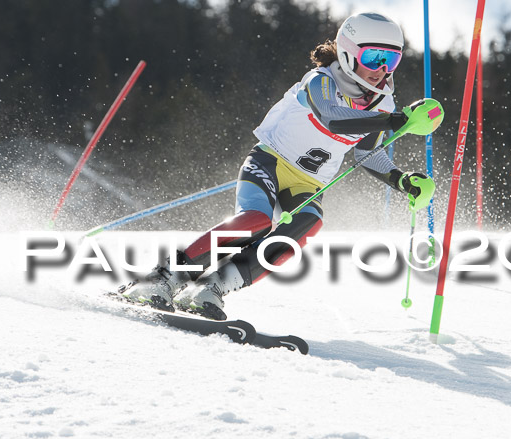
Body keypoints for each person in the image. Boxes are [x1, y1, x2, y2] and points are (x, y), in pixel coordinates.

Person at [119, 12, 439, 320]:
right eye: (373, 58)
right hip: (270, 162)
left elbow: (366, 154)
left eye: (392, 60)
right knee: (256, 220)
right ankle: (162, 278)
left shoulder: (383, 102)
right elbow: (332, 118)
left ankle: (210, 288)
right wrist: (397, 121)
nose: (382, 69)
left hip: (309, 185)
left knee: (306, 226)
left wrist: (403, 181)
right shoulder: (321, 81)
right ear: (348, 53)